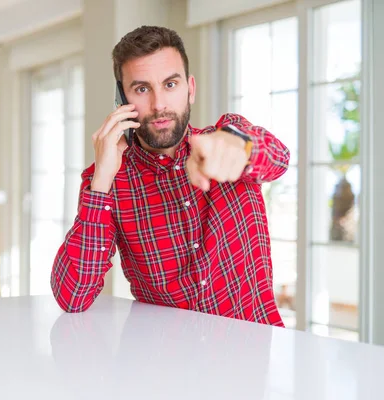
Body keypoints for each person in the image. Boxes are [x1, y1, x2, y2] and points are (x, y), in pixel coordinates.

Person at [50, 25, 290, 327]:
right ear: (121, 100)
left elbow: (279, 158)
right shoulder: (108, 178)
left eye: (170, 85)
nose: (159, 104)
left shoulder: (226, 139)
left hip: (251, 357)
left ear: (190, 88)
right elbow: (72, 297)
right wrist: (101, 182)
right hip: (159, 366)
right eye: (141, 89)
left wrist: (236, 147)